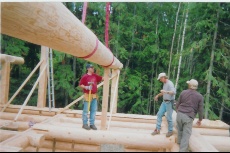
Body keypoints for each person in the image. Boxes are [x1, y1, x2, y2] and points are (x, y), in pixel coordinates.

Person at [175, 79, 204, 152]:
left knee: (180, 130)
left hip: (180, 114)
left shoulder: (183, 92)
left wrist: (178, 112)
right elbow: (200, 110)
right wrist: (200, 119)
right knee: (186, 135)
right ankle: (182, 150)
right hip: (188, 116)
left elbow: (178, 104)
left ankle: (178, 143)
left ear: (190, 85)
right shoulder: (199, 96)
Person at [79, 63, 103, 130]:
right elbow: (81, 84)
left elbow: (102, 78)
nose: (93, 69)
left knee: (93, 110)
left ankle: (92, 124)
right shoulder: (85, 76)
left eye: (93, 67)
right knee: (86, 110)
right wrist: (86, 87)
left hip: (94, 95)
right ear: (88, 69)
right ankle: (85, 124)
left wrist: (108, 75)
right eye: (91, 68)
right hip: (87, 95)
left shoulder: (95, 76)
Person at [152, 72, 176, 137]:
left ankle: (170, 131)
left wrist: (165, 92)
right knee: (159, 114)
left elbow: (173, 92)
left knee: (169, 118)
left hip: (169, 102)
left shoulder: (170, 83)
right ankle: (157, 129)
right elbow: (163, 93)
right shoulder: (164, 84)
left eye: (160, 79)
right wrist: (157, 95)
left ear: (163, 77)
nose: (160, 80)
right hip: (164, 102)